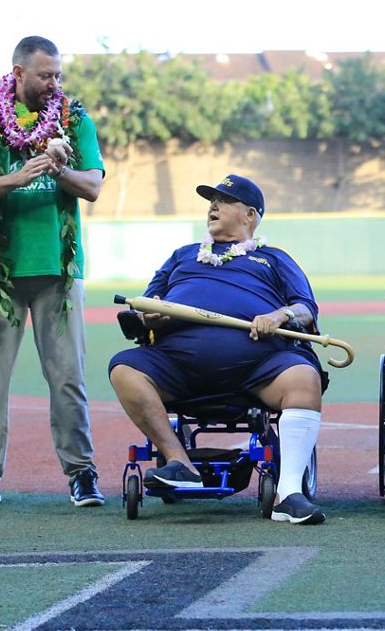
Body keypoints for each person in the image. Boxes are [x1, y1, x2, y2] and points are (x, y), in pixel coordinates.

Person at [0, 36, 105, 509]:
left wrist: (57, 171)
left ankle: (82, 474)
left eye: (58, 74)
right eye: (45, 75)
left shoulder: (75, 122)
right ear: (18, 73)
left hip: (59, 269)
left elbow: (93, 186)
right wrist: (16, 177)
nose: (54, 83)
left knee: (67, 376)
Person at [109, 175, 326, 524]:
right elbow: (148, 304)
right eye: (211, 200)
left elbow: (305, 308)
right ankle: (179, 462)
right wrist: (149, 315)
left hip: (258, 367)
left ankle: (289, 493)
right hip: (176, 366)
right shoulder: (182, 256)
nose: (213, 206)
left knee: (304, 376)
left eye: (224, 200)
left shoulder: (273, 258)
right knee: (124, 369)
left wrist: (279, 315)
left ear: (250, 215)